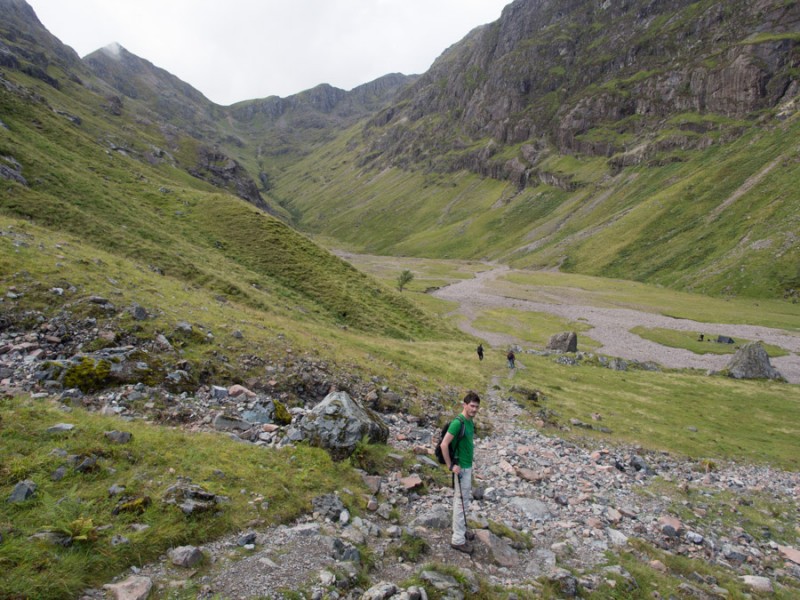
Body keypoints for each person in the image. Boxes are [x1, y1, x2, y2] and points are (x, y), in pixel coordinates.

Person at [440, 391, 481, 554]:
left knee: (463, 501)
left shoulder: (470, 422)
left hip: (467, 466)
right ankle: (457, 539)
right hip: (460, 467)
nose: (474, 409)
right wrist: (451, 466)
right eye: (471, 406)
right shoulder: (458, 422)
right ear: (464, 405)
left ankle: (461, 531)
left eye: (477, 407)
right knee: (461, 501)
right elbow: (444, 445)